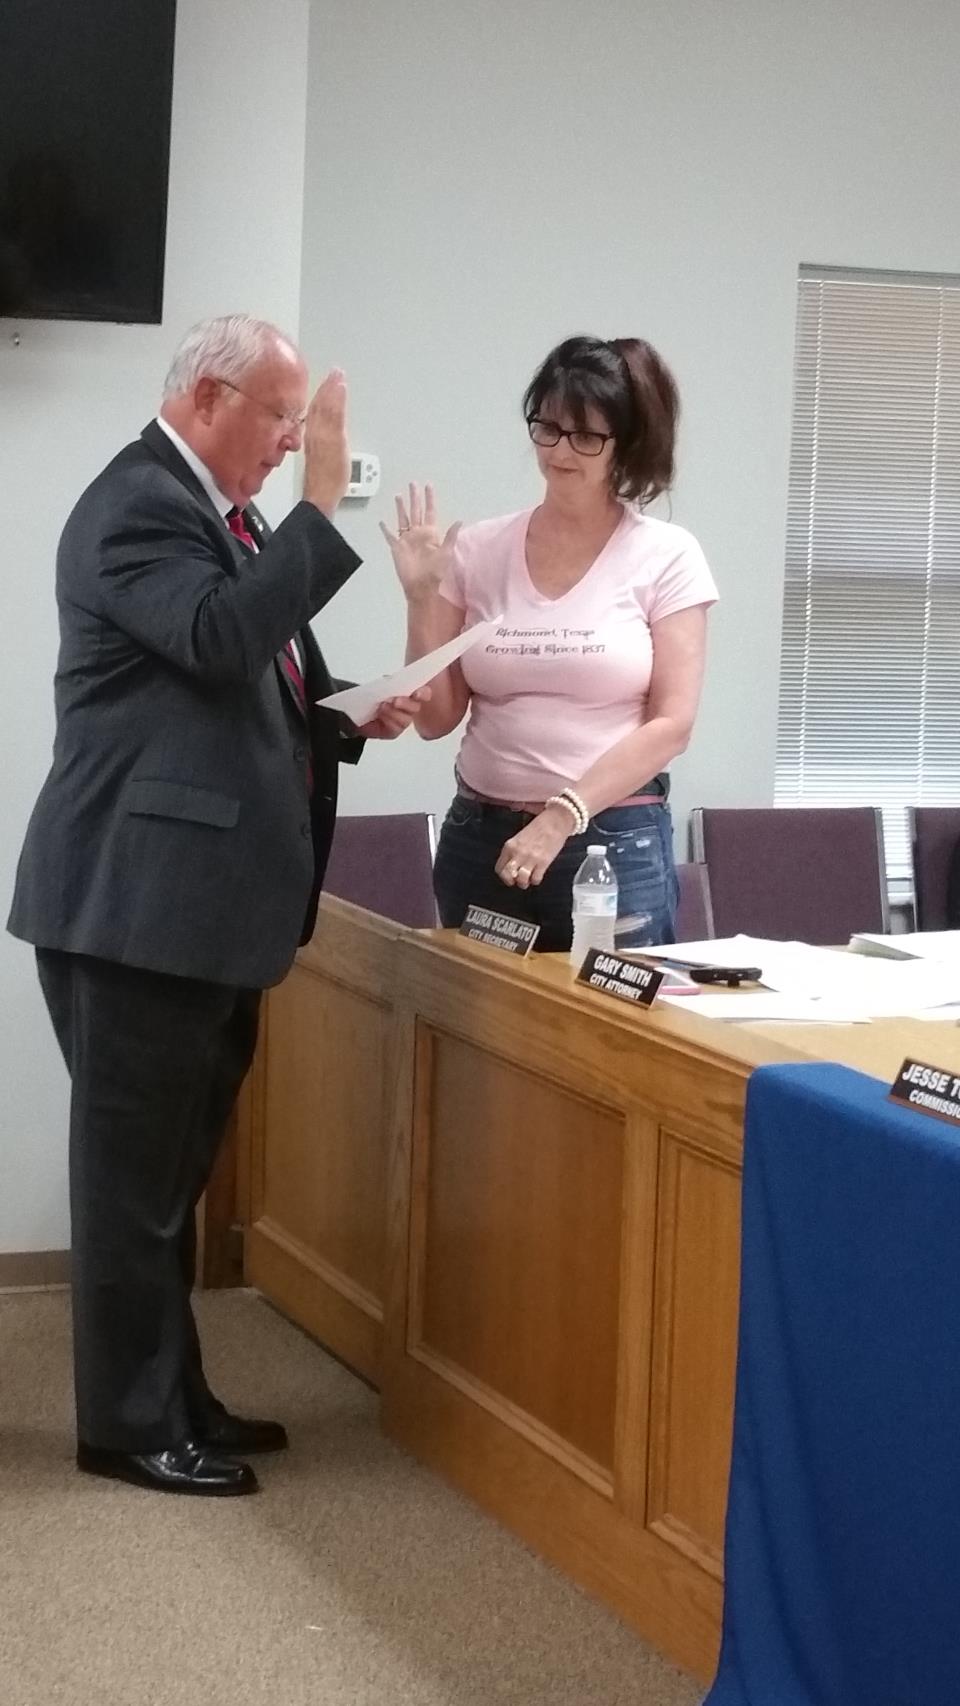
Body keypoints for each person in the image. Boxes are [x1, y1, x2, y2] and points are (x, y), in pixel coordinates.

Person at [7, 314, 425, 1497]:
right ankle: (128, 1424)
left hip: (204, 909)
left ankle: (177, 1397)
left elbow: (254, 672)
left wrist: (345, 707)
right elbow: (211, 636)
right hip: (134, 907)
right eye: (280, 418)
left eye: (301, 423)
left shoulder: (222, 518)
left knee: (172, 1182)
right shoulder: (137, 503)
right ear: (205, 396)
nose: (294, 444)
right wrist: (328, 511)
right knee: (131, 1187)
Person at [382, 335, 718, 952]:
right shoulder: (478, 549)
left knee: (604, 1036)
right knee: (478, 1034)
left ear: (628, 445)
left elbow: (673, 723)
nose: (562, 451)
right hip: (484, 838)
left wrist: (562, 815)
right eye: (549, 428)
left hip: (609, 843)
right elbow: (435, 720)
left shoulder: (666, 555)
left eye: (586, 436)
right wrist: (421, 597)